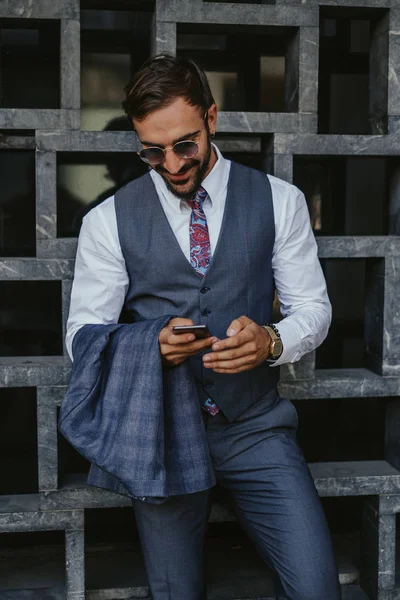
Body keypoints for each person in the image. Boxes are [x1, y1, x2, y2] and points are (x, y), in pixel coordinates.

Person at [66, 53, 341, 600]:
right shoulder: (106, 221)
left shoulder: (279, 201)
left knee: (317, 589)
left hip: (255, 427)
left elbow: (314, 307)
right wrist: (149, 347)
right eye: (152, 150)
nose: (170, 164)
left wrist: (273, 340)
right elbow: (82, 336)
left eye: (185, 144)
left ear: (212, 119)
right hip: (164, 434)